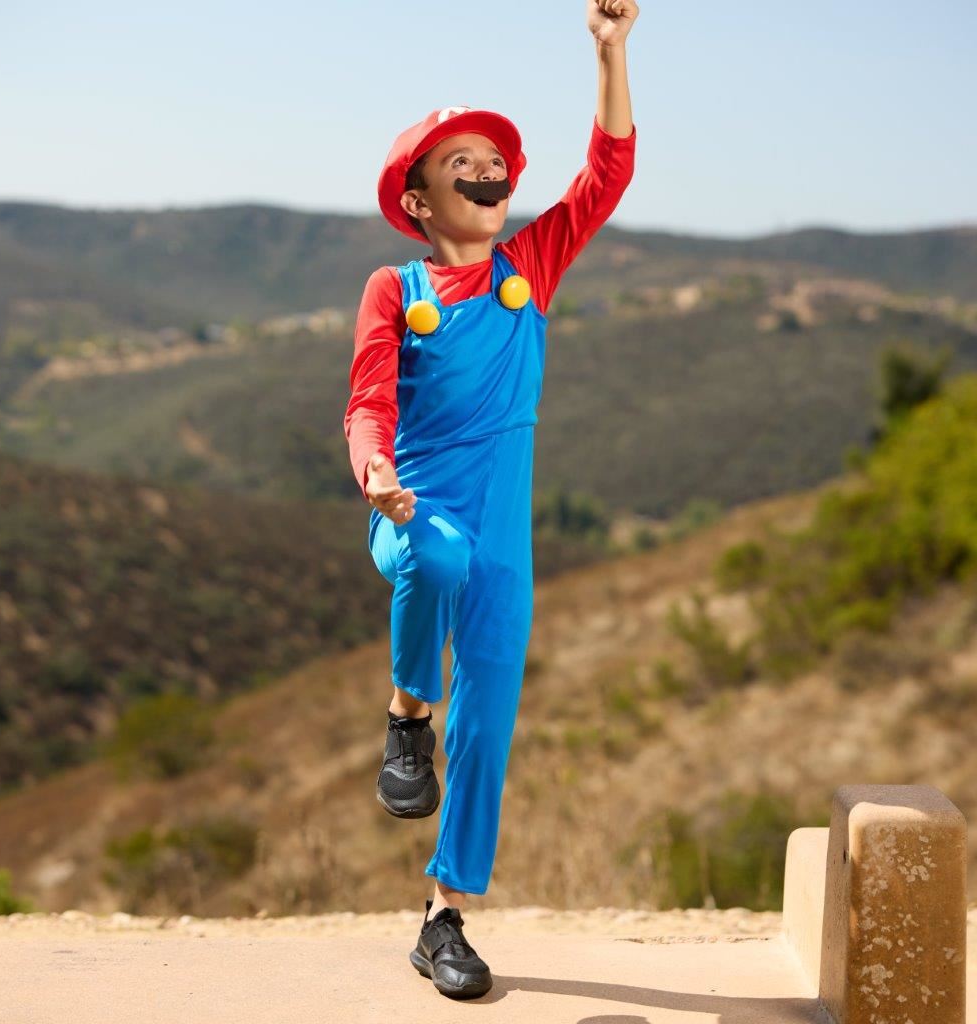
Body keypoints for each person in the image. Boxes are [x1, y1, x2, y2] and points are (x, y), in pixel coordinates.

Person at [343, 0, 639, 1000]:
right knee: (437, 556)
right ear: (419, 200)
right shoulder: (395, 288)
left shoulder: (530, 266)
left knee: (488, 730)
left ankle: (445, 918)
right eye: (458, 160)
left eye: (493, 158)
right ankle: (404, 715)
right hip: (411, 513)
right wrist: (376, 474)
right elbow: (366, 405)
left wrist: (610, 53)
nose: (485, 169)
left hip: (505, 541)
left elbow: (606, 174)